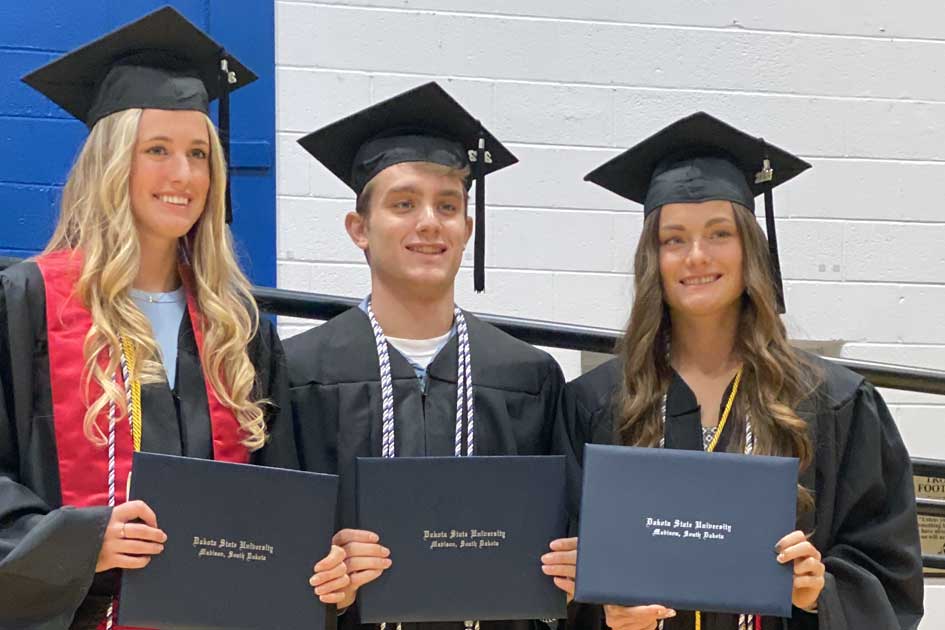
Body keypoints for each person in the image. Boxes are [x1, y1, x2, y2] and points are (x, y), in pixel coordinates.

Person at [559, 112, 924, 630]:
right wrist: (606, 613)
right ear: (653, 258)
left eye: (719, 233)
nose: (697, 256)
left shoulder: (833, 402)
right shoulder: (597, 404)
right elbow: (561, 578)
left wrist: (819, 591)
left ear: (751, 247)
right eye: (674, 239)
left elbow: (889, 570)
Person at [1, 8, 298, 629]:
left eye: (198, 152)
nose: (183, 175)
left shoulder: (237, 328)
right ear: (111, 164)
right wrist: (78, 543)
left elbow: (280, 495)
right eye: (156, 150)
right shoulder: (25, 302)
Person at [288, 82, 568, 629]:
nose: (429, 222)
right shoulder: (298, 375)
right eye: (403, 204)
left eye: (448, 206)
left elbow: (562, 559)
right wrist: (321, 580)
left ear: (468, 228)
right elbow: (270, 555)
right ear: (358, 229)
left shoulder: (528, 379)